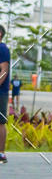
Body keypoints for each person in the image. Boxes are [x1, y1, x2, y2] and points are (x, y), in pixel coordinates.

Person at [0, 25, 10, 163]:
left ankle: (1, 153)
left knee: (0, 122)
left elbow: (4, 70)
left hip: (0, 92)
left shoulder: (2, 49)